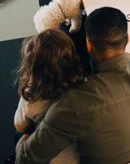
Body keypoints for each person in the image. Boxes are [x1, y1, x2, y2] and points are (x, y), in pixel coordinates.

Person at [16, 7, 130, 163]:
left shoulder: (75, 103)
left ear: (88, 45)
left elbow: (26, 157)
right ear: (127, 40)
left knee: (20, 136)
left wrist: (24, 139)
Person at [14, 29, 84, 164]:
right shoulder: (83, 86)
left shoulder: (32, 96)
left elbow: (20, 126)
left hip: (43, 157)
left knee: (19, 135)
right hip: (77, 157)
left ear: (33, 66)